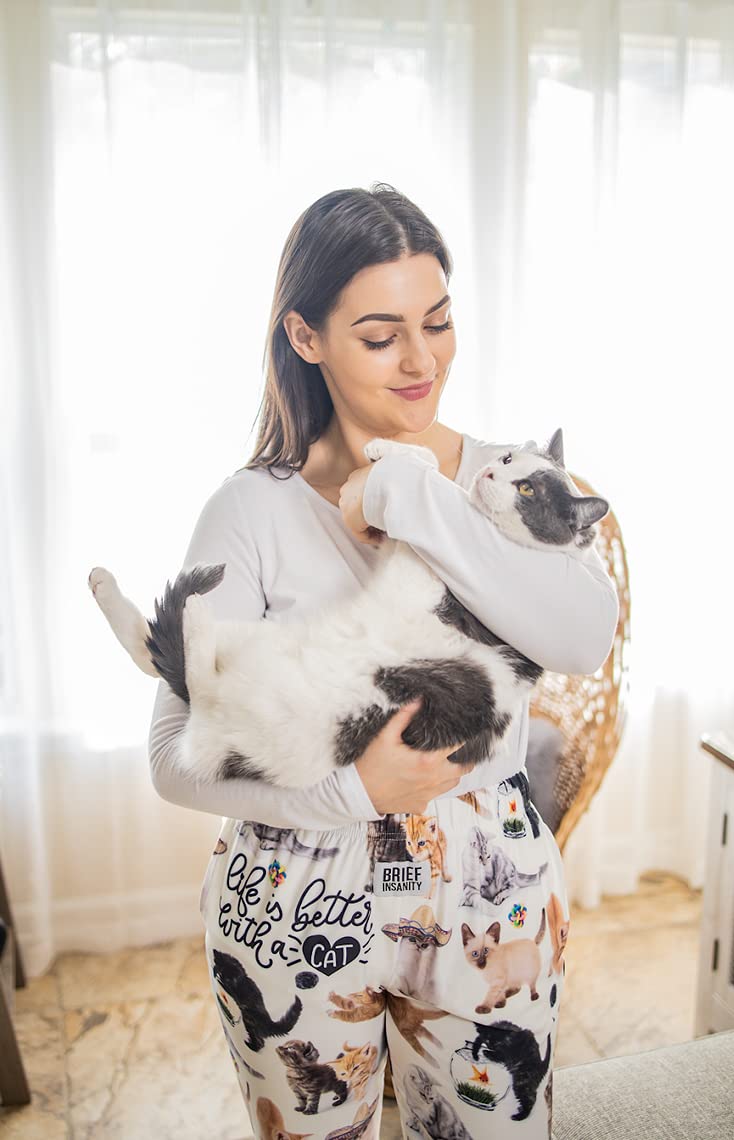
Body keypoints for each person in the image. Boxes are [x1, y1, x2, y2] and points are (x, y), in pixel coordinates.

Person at [148, 183, 619, 1139]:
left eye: (438, 323)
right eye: (380, 334)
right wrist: (356, 793)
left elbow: (580, 637)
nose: (422, 361)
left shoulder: (502, 480)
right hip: (295, 895)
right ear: (307, 337)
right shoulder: (250, 510)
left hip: (491, 891)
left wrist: (415, 499)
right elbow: (172, 757)